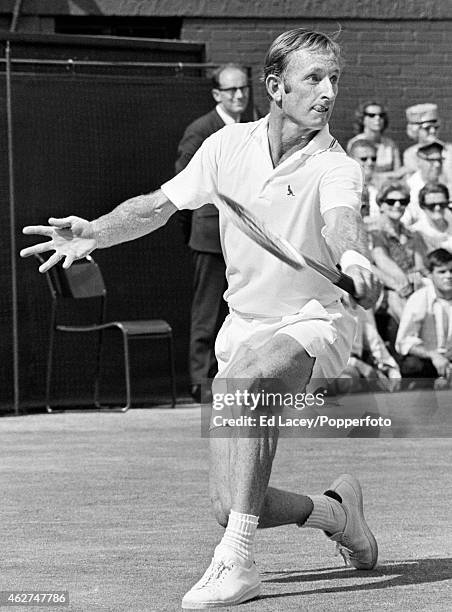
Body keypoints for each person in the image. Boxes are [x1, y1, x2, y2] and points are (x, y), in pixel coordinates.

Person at [21, 28, 381, 609]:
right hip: (243, 327)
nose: (327, 92)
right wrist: (94, 232)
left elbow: (343, 225)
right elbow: (158, 207)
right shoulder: (223, 148)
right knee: (234, 504)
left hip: (313, 322)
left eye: (334, 79)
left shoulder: (336, 165)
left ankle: (237, 566)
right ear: (275, 86)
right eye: (314, 78)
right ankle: (337, 515)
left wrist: (356, 259)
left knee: (256, 375)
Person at [175, 63, 250, 403]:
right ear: (217, 94)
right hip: (210, 236)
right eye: (232, 90)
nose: (240, 95)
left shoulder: (255, 124)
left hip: (248, 237)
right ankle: (200, 381)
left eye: (244, 88)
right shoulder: (201, 129)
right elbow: (183, 186)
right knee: (207, 313)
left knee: (247, 309)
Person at [396, 248, 452, 389]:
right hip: (428, 360)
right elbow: (403, 342)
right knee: (411, 365)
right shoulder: (420, 298)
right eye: (442, 272)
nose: (449, 276)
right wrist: (434, 355)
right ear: (430, 274)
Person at [370, 181, 425, 323]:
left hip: (412, 287)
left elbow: (420, 266)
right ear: (381, 204)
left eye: (403, 201)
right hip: (386, 290)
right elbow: (377, 263)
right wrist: (399, 284)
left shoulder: (412, 234)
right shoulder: (373, 232)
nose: (397, 205)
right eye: (391, 201)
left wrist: (415, 276)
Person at [346, 100, 401, 179]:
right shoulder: (354, 143)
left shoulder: (390, 144)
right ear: (362, 119)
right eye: (372, 115)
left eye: (381, 115)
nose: (377, 118)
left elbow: (398, 173)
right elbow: (352, 172)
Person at [403, 103, 452, 185]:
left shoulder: (449, 150)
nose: (433, 131)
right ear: (416, 130)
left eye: (435, 127)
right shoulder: (410, 153)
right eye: (427, 128)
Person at [403, 139, 446, 224]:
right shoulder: (409, 188)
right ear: (419, 161)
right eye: (432, 160)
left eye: (439, 160)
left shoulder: (446, 184)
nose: (437, 165)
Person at [408, 182, 452, 254]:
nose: (437, 208)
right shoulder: (417, 232)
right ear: (422, 206)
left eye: (442, 204)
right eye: (431, 205)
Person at [348, 138, 380, 225]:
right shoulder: (346, 186)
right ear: (351, 160)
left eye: (373, 158)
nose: (370, 163)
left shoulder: (381, 185)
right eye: (364, 159)